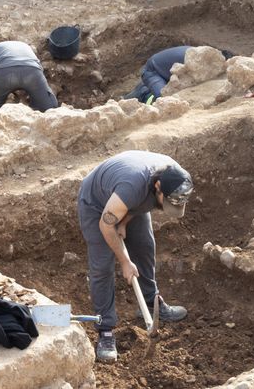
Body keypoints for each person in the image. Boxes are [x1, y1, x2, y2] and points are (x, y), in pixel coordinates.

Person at [77, 150, 193, 363]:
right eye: (166, 202)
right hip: (96, 205)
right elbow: (105, 223)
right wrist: (124, 261)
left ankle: (151, 304)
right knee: (103, 265)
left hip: (124, 197)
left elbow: (140, 202)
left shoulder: (172, 174)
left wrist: (124, 221)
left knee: (145, 246)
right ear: (158, 187)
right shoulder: (133, 185)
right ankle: (105, 331)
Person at [124, 46, 233, 104]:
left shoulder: (203, 55)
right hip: (153, 71)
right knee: (163, 99)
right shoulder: (196, 62)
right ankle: (137, 96)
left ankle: (143, 89)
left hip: (166, 70)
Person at [0, 41, 59, 112]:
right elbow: (39, 67)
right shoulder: (26, 46)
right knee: (49, 107)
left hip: (6, 73)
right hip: (32, 72)